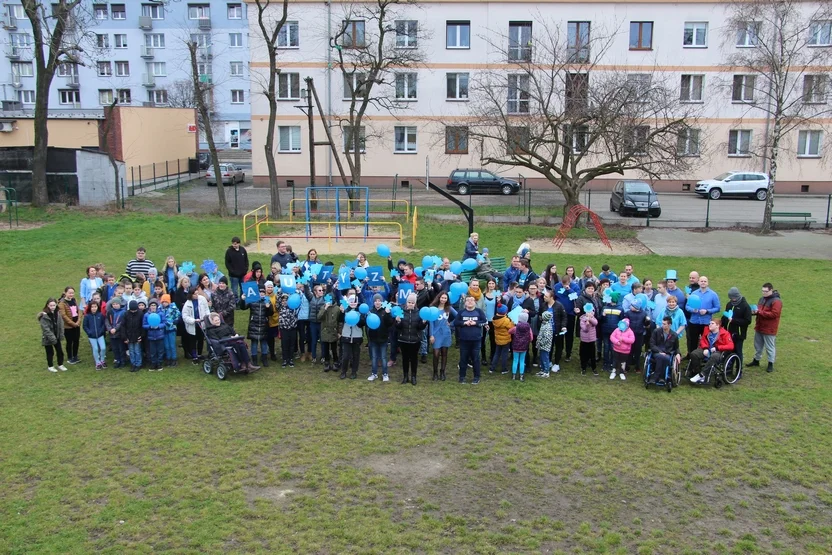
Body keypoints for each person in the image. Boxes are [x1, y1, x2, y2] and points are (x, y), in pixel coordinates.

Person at [747, 283, 782, 373]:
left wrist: (760, 312)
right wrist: (754, 312)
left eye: (766, 291)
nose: (764, 293)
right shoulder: (761, 299)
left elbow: (775, 314)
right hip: (759, 326)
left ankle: (770, 363)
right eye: (762, 291)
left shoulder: (776, 301)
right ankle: (756, 360)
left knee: (770, 347)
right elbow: (759, 311)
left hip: (769, 328)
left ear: (771, 290)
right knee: (757, 345)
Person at [689, 319, 735, 384]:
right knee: (694, 354)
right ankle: (697, 372)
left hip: (718, 351)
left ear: (717, 326)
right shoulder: (706, 330)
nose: (709, 325)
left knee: (714, 356)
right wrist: (705, 348)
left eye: (712, 323)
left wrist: (717, 348)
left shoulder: (725, 334)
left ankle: (702, 374)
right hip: (706, 349)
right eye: (709, 323)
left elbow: (731, 346)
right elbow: (702, 340)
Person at [685, 276, 720, 356]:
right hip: (694, 321)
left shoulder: (713, 294)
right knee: (692, 342)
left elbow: (717, 308)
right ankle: (692, 359)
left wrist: (707, 311)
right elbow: (687, 306)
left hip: (706, 322)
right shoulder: (693, 294)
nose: (703, 283)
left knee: (707, 342)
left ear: (707, 283)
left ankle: (706, 359)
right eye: (701, 281)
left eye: (705, 281)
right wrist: (693, 310)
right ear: (698, 282)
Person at [455, 294, 487, 384]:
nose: (469, 301)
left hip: (476, 340)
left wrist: (475, 323)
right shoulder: (461, 312)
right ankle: (462, 377)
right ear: (465, 303)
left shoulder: (479, 311)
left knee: (476, 359)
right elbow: (456, 322)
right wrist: (464, 323)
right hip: (464, 339)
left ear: (475, 302)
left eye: (471, 300)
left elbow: (484, 321)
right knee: (463, 358)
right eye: (468, 300)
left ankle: (476, 377)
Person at [396, 293, 426, 384]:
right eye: (409, 302)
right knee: (405, 359)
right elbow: (398, 327)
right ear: (406, 302)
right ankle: (405, 377)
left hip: (415, 340)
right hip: (403, 339)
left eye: (412, 303)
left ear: (415, 303)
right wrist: (398, 322)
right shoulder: (400, 311)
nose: (410, 304)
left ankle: (413, 377)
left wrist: (424, 323)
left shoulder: (419, 313)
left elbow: (420, 327)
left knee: (414, 359)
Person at [429, 291, 456, 381]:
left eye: (445, 298)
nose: (443, 299)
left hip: (446, 332)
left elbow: (458, 316)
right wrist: (431, 335)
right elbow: (431, 322)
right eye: (442, 297)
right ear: (439, 297)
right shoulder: (433, 308)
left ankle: (442, 371)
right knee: (436, 354)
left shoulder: (448, 308)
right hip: (436, 333)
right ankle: (435, 372)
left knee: (444, 353)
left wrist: (451, 323)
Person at [367, 293, 395, 382]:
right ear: (373, 302)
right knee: (374, 358)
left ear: (382, 302)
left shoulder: (385, 311)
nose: (377, 302)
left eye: (379, 301)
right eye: (376, 301)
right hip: (373, 339)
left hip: (383, 338)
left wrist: (387, 314)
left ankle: (385, 374)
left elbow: (390, 323)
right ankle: (374, 373)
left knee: (383, 357)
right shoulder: (370, 312)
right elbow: (367, 324)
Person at [721, 287, 752, 366]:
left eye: (734, 298)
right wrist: (721, 325)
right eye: (731, 298)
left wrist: (734, 320)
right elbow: (725, 316)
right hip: (728, 333)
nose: (733, 299)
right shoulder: (729, 304)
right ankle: (728, 368)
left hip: (739, 334)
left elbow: (748, 321)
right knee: (729, 351)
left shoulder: (745, 306)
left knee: (738, 352)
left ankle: (739, 370)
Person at [245, 285, 273, 368]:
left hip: (264, 325)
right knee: (254, 343)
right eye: (260, 293)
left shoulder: (267, 301)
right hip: (254, 325)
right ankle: (254, 359)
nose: (262, 294)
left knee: (264, 343)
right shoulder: (252, 301)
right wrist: (243, 299)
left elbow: (271, 313)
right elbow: (243, 307)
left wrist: (269, 308)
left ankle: (264, 359)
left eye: (263, 293)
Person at [648, 316, 681, 385]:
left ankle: (657, 377)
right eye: (662, 323)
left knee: (665, 358)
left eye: (664, 324)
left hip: (667, 353)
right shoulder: (656, 331)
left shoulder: (674, 335)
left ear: (669, 325)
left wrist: (678, 353)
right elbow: (652, 344)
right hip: (657, 352)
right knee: (661, 357)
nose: (662, 325)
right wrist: (659, 351)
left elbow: (676, 347)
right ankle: (660, 377)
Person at [182, 287, 210, 365]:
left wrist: (206, 317)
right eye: (195, 294)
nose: (197, 295)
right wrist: (193, 320)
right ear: (191, 295)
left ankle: (199, 354)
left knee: (201, 339)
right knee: (193, 341)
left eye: (197, 293)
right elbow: (185, 316)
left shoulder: (202, 299)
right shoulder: (187, 304)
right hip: (193, 325)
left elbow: (206, 309)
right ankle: (194, 356)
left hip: (202, 323)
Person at [39, 297, 67, 372]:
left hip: (56, 335)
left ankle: (60, 364)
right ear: (47, 305)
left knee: (60, 351)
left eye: (54, 305)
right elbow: (46, 329)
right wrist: (52, 338)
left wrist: (61, 334)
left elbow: (61, 324)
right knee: (50, 352)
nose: (52, 307)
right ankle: (50, 366)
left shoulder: (57, 313)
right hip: (48, 338)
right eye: (51, 305)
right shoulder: (44, 316)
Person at [623, 298, 650, 372]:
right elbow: (625, 322)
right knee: (629, 350)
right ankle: (627, 365)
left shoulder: (644, 313)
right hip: (629, 335)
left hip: (639, 334)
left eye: (632, 306)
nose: (630, 307)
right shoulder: (628, 313)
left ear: (636, 307)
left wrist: (647, 321)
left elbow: (646, 325)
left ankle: (637, 366)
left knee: (638, 350)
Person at [599, 291, 623, 375]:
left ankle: (613, 363)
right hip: (605, 331)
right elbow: (600, 319)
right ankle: (606, 363)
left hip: (615, 332)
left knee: (613, 348)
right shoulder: (605, 307)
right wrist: (602, 315)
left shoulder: (620, 309)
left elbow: (622, 320)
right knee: (606, 347)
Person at [58, 286, 82, 365]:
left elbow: (78, 311)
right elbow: (63, 316)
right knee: (69, 342)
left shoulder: (74, 300)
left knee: (76, 341)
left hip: (76, 325)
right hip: (68, 327)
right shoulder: (62, 303)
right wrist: (73, 323)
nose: (71, 294)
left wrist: (78, 321)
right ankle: (70, 357)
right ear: (65, 293)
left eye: (72, 293)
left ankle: (75, 356)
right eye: (69, 293)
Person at [318, 295, 341, 372]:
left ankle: (335, 362)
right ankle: (327, 362)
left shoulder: (337, 309)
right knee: (326, 349)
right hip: (325, 331)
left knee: (334, 348)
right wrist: (325, 309)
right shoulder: (323, 307)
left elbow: (339, 321)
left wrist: (339, 332)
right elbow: (319, 317)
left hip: (333, 331)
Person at [83, 300, 107, 370]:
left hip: (100, 335)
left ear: (97, 307)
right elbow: (85, 326)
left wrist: (101, 331)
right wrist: (89, 332)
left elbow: (103, 324)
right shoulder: (87, 316)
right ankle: (97, 362)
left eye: (95, 307)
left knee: (103, 348)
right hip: (92, 336)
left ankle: (102, 360)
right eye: (92, 307)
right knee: (95, 348)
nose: (94, 308)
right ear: (90, 308)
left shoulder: (100, 315)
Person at [276, 292, 299, 368]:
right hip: (284, 329)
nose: (284, 302)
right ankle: (285, 359)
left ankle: (291, 359)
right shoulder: (280, 307)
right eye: (283, 301)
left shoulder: (293, 307)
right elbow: (278, 300)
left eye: (286, 300)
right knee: (284, 344)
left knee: (292, 344)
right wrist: (280, 292)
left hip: (292, 328)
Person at [121, 300, 144, 372]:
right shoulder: (126, 314)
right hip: (129, 336)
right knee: (131, 351)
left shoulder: (140, 314)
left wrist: (142, 336)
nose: (133, 312)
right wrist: (124, 337)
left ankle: (138, 364)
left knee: (137, 350)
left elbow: (142, 325)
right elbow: (123, 326)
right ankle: (133, 364)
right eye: (132, 310)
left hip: (137, 335)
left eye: (134, 310)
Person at [509, 312, 533, 381]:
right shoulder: (529, 328)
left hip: (516, 346)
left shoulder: (516, 328)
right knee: (522, 360)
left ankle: (513, 375)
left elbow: (509, 331)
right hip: (524, 346)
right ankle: (521, 376)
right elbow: (531, 338)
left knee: (515, 360)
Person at [143, 299, 166, 371]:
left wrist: (158, 326)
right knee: (152, 351)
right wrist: (150, 327)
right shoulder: (146, 315)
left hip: (160, 335)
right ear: (149, 306)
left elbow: (164, 323)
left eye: (154, 305)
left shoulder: (161, 314)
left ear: (157, 306)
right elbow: (144, 325)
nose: (153, 307)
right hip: (151, 336)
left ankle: (159, 363)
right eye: (151, 305)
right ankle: (153, 363)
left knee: (160, 350)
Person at [490, 304, 513, 375]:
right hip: (505, 340)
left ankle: (492, 368)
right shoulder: (506, 320)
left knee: (497, 353)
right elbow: (511, 327)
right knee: (504, 355)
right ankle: (504, 369)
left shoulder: (494, 318)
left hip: (498, 339)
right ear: (505, 312)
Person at [159, 294, 180, 367]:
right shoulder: (160, 308)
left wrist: (176, 320)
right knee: (166, 345)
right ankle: (168, 358)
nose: (164, 303)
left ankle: (174, 358)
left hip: (171, 329)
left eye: (166, 302)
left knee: (172, 345)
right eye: (163, 302)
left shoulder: (173, 307)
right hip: (164, 329)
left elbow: (178, 314)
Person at [579, 304, 598, 376]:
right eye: (588, 312)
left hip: (592, 340)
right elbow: (585, 329)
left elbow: (595, 323)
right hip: (584, 340)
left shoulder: (593, 318)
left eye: (591, 312)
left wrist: (590, 319)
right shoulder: (582, 319)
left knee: (592, 355)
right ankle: (583, 368)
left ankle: (594, 368)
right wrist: (587, 324)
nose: (589, 313)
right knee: (583, 355)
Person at [106, 297, 126, 368]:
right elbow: (107, 321)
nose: (115, 305)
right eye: (113, 304)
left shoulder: (123, 312)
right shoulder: (110, 312)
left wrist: (115, 329)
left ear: (120, 304)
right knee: (115, 348)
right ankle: (117, 360)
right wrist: (110, 328)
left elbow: (121, 322)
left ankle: (123, 361)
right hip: (112, 334)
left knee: (121, 348)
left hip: (119, 333)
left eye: (117, 304)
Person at [536, 311, 554, 378]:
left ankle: (546, 372)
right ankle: (542, 370)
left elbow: (547, 338)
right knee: (541, 358)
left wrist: (541, 343)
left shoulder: (547, 327)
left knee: (545, 358)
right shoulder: (543, 324)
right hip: (541, 346)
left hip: (545, 346)